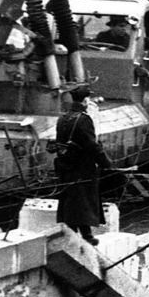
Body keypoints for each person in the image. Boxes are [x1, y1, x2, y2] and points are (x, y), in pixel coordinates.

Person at [53, 84, 112, 246]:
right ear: (86, 100)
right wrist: (105, 162)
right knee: (84, 200)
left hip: (66, 164)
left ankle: (75, 232)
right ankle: (86, 235)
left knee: (71, 198)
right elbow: (92, 145)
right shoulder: (84, 119)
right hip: (82, 166)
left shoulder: (62, 118)